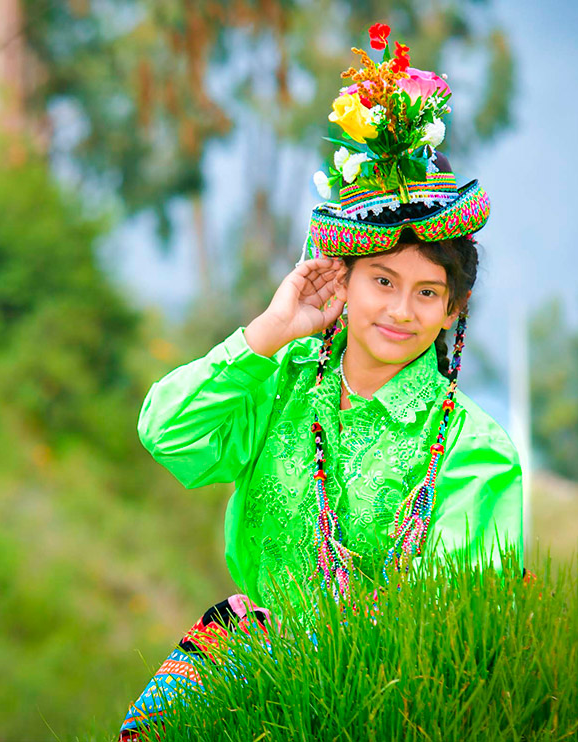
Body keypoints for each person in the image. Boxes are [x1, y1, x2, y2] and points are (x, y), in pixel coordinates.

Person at [118, 23, 523, 741]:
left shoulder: (473, 450)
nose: (400, 311)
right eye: (382, 281)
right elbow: (167, 433)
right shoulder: (279, 383)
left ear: (453, 309)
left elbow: (464, 625)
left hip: (381, 708)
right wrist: (271, 331)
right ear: (343, 279)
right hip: (240, 679)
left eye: (428, 292)